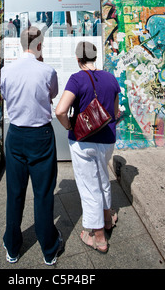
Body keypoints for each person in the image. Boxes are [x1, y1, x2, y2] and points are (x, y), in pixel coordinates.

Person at [0, 26, 64, 265]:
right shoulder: (47, 70)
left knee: (15, 193)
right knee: (43, 193)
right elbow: (52, 96)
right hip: (41, 135)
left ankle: (13, 247)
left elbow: (6, 96)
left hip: (16, 134)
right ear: (39, 45)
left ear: (20, 43)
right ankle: (49, 249)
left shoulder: (6, 71)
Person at [55, 41, 120, 254]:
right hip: (107, 139)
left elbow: (60, 111)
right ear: (95, 56)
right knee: (103, 180)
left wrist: (70, 125)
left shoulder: (77, 79)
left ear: (77, 59)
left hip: (83, 141)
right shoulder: (111, 78)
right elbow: (115, 112)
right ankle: (108, 217)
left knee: (89, 187)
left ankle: (99, 237)